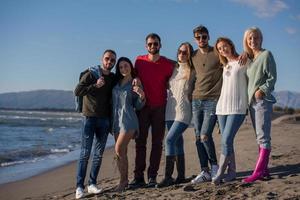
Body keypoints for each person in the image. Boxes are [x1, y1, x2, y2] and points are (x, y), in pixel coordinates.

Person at [129, 33, 174, 188]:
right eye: (150, 44)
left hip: (160, 108)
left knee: (157, 143)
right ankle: (138, 177)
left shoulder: (168, 64)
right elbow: (132, 76)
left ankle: (152, 177)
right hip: (143, 107)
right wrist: (135, 81)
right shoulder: (139, 61)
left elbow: (183, 66)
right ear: (146, 46)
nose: (153, 46)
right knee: (140, 142)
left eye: (155, 44)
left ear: (160, 45)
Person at [74, 49, 117, 199]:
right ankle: (79, 187)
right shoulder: (91, 74)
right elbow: (77, 91)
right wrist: (95, 86)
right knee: (85, 153)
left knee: (98, 154)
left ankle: (92, 184)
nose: (109, 62)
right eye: (107, 59)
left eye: (112, 60)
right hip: (89, 118)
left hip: (104, 120)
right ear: (102, 59)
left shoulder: (112, 78)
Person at [156, 42, 195, 188]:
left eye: (185, 52)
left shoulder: (193, 71)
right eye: (180, 51)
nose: (181, 54)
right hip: (170, 112)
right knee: (178, 142)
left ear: (190, 54)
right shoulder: (173, 69)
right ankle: (180, 176)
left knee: (169, 140)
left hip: (184, 112)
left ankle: (168, 177)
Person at [242, 27, 277, 183]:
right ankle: (265, 171)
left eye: (255, 38)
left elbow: (272, 77)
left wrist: (262, 90)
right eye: (250, 38)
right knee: (259, 137)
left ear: (260, 39)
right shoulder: (250, 59)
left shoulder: (266, 54)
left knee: (263, 137)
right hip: (251, 103)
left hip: (262, 101)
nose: (252, 41)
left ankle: (257, 173)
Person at [212, 37, 248, 184]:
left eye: (224, 46)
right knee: (227, 141)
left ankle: (220, 172)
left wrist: (246, 52)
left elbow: (252, 54)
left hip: (238, 107)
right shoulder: (225, 65)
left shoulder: (243, 61)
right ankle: (232, 172)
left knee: (226, 139)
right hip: (222, 107)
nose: (223, 50)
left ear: (231, 45)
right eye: (220, 49)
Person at [190, 25, 222, 184]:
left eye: (204, 36)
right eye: (198, 37)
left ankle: (215, 166)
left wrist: (244, 54)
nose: (201, 40)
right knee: (197, 137)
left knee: (205, 135)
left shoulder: (217, 52)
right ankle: (205, 171)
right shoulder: (193, 56)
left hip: (213, 100)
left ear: (209, 37)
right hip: (196, 100)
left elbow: (232, 58)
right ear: (195, 39)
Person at [111, 57, 146, 191]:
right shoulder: (116, 82)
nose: (123, 69)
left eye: (126, 66)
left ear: (130, 67)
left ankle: (123, 181)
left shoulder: (135, 82)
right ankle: (123, 180)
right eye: (120, 67)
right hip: (116, 121)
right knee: (122, 152)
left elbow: (138, 105)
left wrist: (142, 95)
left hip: (128, 120)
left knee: (118, 149)